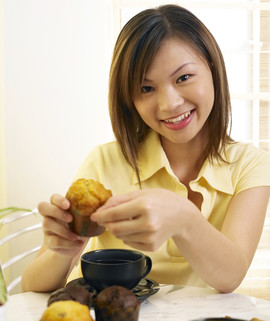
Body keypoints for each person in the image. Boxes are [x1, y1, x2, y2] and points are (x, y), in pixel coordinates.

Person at [22, 4, 270, 294]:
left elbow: (230, 276)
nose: (169, 104)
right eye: (146, 88)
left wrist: (184, 217)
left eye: (183, 78)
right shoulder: (104, 161)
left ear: (213, 70)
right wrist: (61, 249)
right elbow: (31, 287)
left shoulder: (251, 165)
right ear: (129, 99)